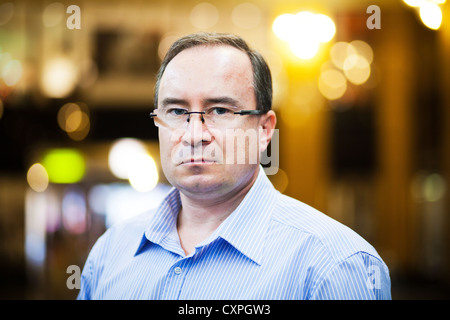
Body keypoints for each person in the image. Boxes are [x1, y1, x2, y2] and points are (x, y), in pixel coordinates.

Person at [77, 32, 391, 300]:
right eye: (175, 111)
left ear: (265, 130)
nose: (194, 134)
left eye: (220, 110)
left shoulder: (333, 264)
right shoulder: (110, 253)